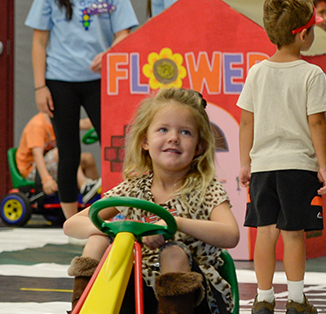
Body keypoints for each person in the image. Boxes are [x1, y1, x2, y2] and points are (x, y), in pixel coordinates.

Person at [62, 88, 239, 313]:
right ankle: (83, 308)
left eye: (185, 132)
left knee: (173, 251)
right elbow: (71, 225)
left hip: (197, 297)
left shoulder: (206, 188)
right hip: (141, 292)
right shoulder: (133, 189)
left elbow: (231, 234)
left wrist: (175, 224)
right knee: (96, 238)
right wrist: (114, 229)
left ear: (198, 147)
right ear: (145, 141)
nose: (173, 138)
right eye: (163, 129)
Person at [236, 0, 326, 313]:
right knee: (293, 235)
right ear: (303, 36)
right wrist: (324, 166)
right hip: (297, 167)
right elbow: (316, 122)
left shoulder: (256, 73)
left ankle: (263, 299)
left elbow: (246, 122)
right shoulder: (312, 74)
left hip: (263, 168)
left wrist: (245, 163)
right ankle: (296, 299)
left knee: (265, 234)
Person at [25, 0, 137, 221]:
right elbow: (39, 40)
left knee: (118, 147)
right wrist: (40, 87)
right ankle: (71, 221)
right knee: (69, 152)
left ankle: (122, 211)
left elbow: (124, 32)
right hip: (59, 80)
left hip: (102, 79)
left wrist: (110, 53)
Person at [16, 113, 101, 202]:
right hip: (34, 170)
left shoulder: (59, 121)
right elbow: (37, 155)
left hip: (53, 162)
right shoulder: (38, 125)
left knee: (87, 158)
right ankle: (84, 185)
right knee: (63, 152)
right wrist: (46, 179)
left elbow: (85, 123)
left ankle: (96, 194)